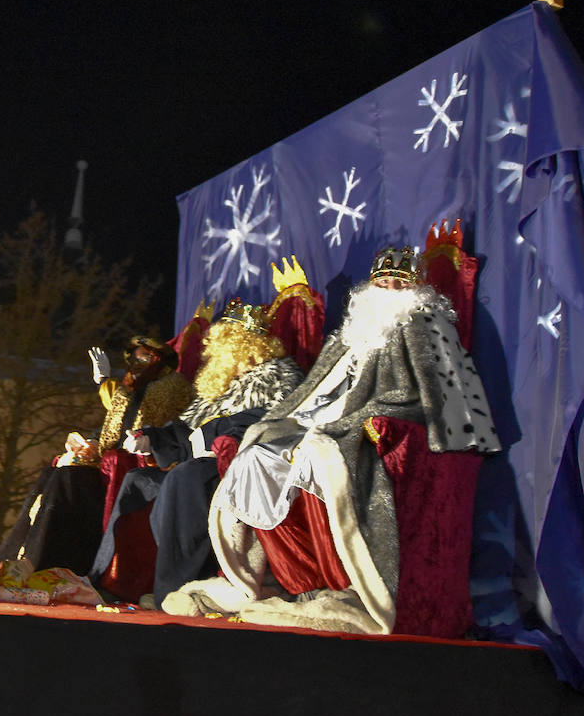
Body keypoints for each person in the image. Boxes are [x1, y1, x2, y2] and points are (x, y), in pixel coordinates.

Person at [164, 242, 500, 637]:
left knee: (315, 455)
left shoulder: (423, 326)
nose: (389, 289)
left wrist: (351, 425)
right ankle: (257, 580)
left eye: (398, 282)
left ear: (415, 288)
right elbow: (312, 390)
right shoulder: (351, 331)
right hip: (317, 422)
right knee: (255, 453)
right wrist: (283, 423)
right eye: (383, 281)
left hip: (360, 427)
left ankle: (354, 590)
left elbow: (423, 398)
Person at [89, 299, 304, 603]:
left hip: (238, 468)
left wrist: (212, 436)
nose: (216, 355)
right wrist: (150, 438)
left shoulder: (278, 380)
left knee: (185, 477)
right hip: (202, 462)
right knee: (137, 480)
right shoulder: (217, 388)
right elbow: (186, 430)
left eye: (225, 347)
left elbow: (268, 424)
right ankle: (113, 581)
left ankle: (174, 591)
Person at [0, 335, 192, 575]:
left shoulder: (171, 386)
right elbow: (114, 426)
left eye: (145, 357)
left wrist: (145, 438)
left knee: (84, 473)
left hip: (145, 461)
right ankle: (26, 558)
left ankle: (57, 563)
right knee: (59, 468)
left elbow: (156, 426)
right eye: (134, 357)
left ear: (159, 359)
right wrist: (91, 442)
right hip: (111, 457)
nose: (137, 362)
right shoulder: (131, 389)